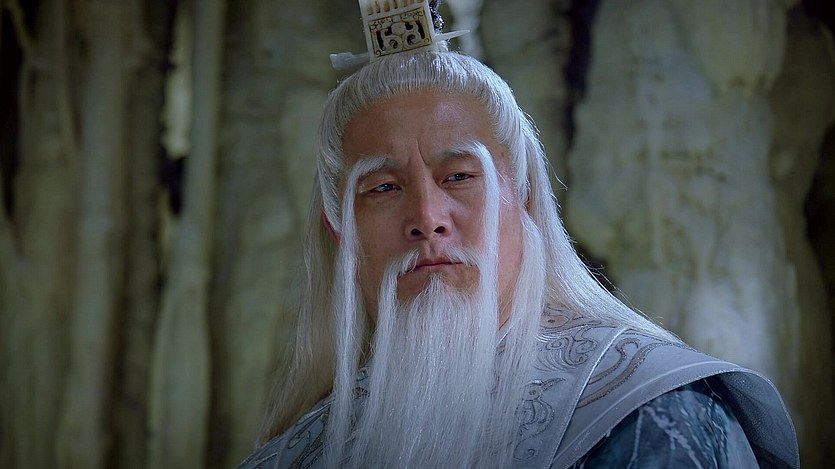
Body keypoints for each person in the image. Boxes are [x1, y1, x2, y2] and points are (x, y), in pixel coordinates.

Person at [238, 1, 798, 467]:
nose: (427, 217)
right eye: (383, 188)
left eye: (459, 176)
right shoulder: (298, 454)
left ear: (525, 198)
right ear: (340, 230)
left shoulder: (650, 413)